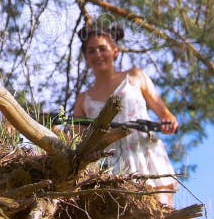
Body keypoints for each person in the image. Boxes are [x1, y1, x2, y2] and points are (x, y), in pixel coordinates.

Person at [72, 24, 179, 207]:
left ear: (115, 51)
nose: (97, 54)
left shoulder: (136, 77)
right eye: (91, 51)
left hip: (145, 153)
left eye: (102, 48)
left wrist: (168, 122)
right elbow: (76, 142)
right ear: (86, 58)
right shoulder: (83, 100)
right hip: (110, 168)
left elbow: (165, 114)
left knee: (161, 212)